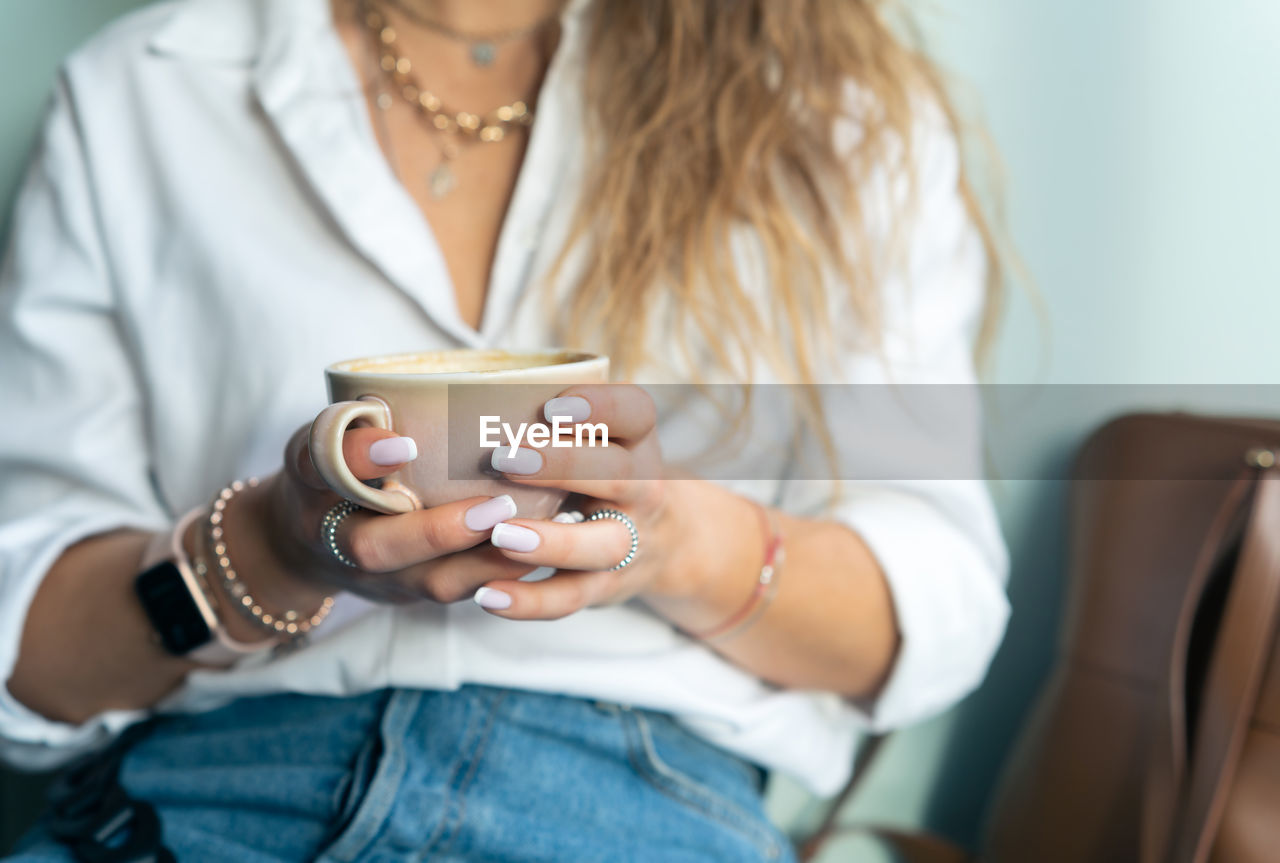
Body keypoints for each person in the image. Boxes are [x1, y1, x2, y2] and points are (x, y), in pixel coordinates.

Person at [0, 0, 1010, 860]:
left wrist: (676, 540)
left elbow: (926, 605)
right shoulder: (142, 94)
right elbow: (29, 657)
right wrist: (273, 547)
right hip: (208, 789)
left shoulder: (832, 112)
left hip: (637, 790)